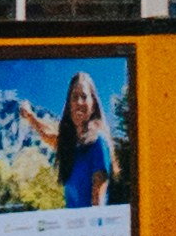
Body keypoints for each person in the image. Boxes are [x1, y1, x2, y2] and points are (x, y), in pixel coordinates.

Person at [46, 67, 121, 208]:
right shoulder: (72, 145)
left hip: (90, 226)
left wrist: (90, 229)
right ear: (69, 105)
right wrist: (30, 117)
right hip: (73, 226)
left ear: (93, 104)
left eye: (84, 97)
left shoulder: (98, 143)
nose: (79, 102)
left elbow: (97, 203)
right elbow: (49, 136)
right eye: (74, 97)